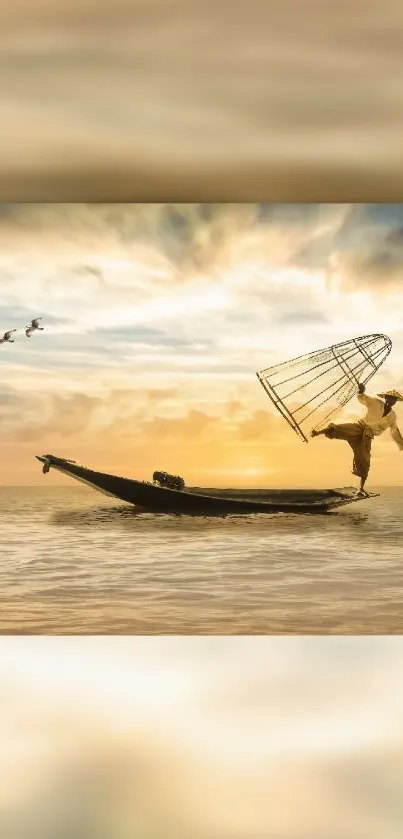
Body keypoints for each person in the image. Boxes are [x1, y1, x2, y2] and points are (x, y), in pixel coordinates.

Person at [311, 383, 403, 495]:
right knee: (340, 428)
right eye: (389, 398)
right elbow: (363, 398)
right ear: (386, 398)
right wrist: (360, 391)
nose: (391, 401)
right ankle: (317, 432)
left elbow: (394, 430)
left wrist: (401, 444)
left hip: (368, 436)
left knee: (365, 461)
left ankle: (361, 488)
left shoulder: (392, 416)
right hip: (359, 427)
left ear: (395, 401)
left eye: (394, 399)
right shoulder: (375, 402)